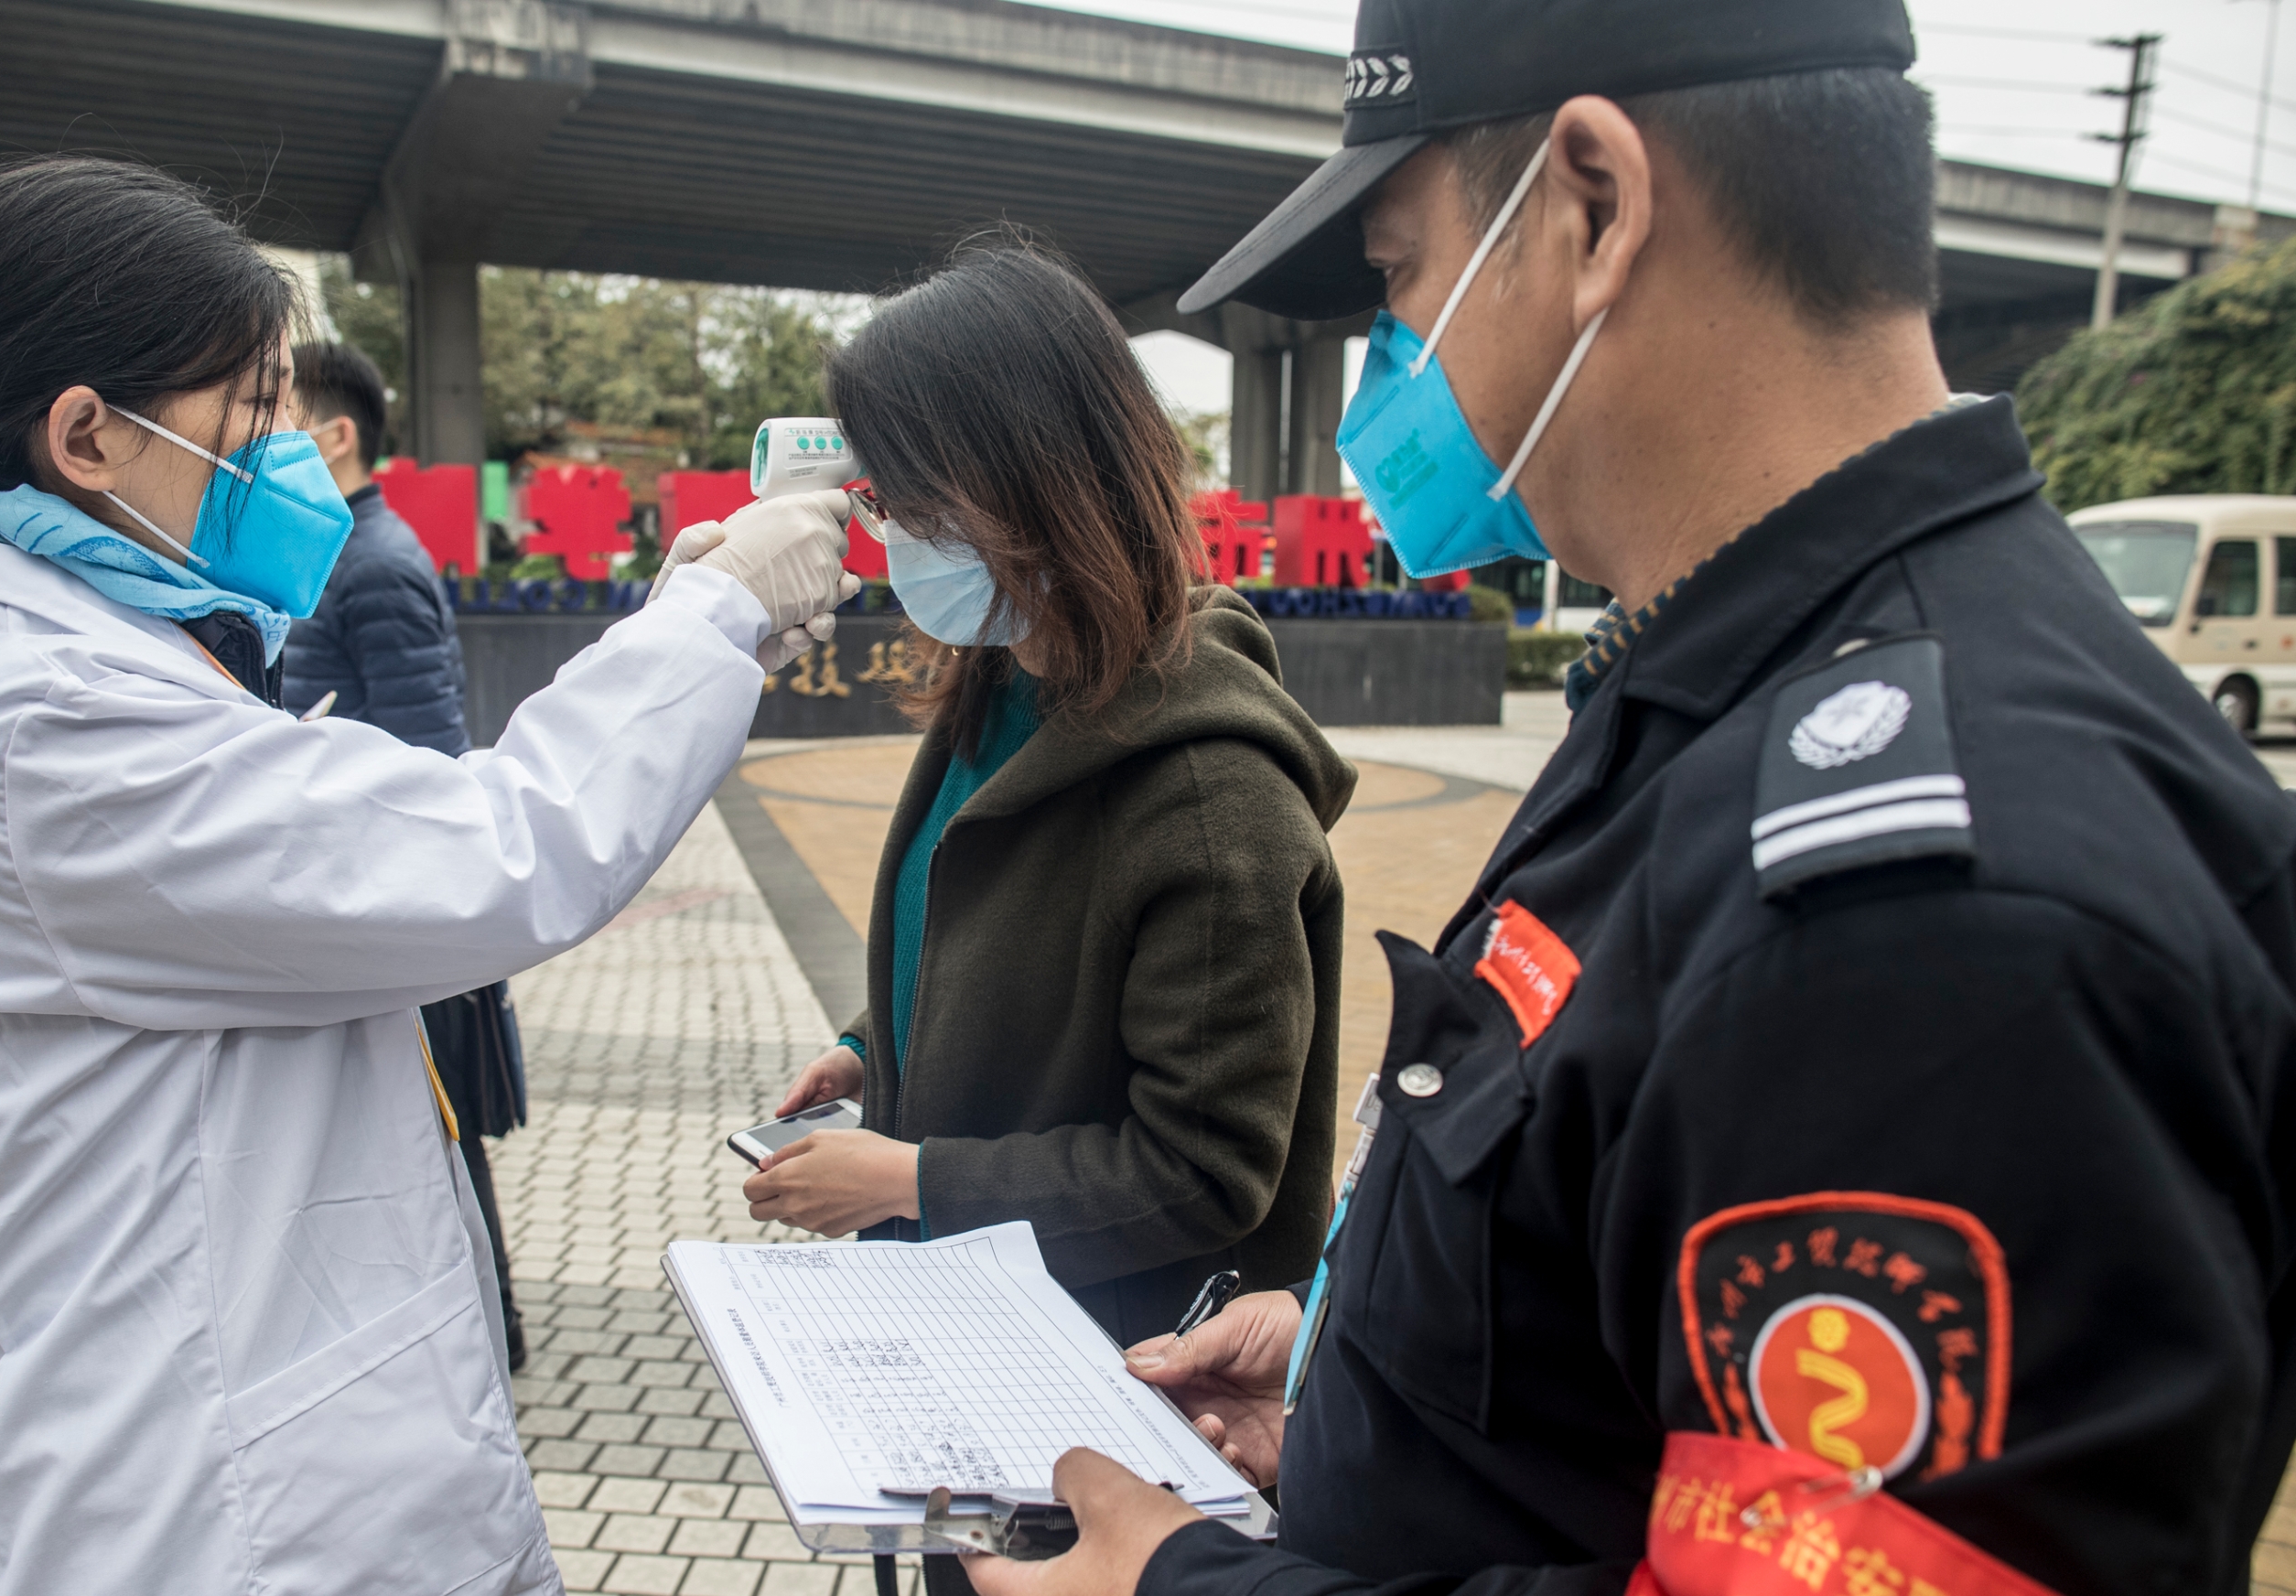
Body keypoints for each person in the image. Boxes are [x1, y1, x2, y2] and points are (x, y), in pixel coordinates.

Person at [964, 2, 2296, 1594]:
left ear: (1591, 204)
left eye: (1397, 276)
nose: (1390, 360)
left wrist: (1179, 1586)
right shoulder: (1731, 683)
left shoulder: (1917, 913)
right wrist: (1359, 1380)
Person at [0, 154, 855, 1596]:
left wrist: (692, 625)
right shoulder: (49, 726)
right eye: (253, 407)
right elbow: (492, 851)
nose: (287, 449)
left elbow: (387, 833)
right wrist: (712, 614)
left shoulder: (105, 663)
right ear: (87, 436)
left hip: (272, 1451)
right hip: (206, 1516)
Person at [736, 245, 1353, 1445]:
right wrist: (872, 1048)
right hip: (971, 1331)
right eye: (880, 501)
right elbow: (998, 936)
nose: (888, 534)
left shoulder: (1209, 800)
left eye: (914, 505)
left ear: (1028, 486)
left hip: (1109, 1391)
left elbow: (1204, 1169)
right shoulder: (1004, 680)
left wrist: (910, 1179)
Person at [283, 340, 533, 1370]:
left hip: (395, 907)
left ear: (337, 436)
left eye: (277, 417)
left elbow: (430, 760)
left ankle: (490, 1334)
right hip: (357, 904)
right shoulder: (327, 555)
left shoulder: (378, 564)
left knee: (440, 1138)